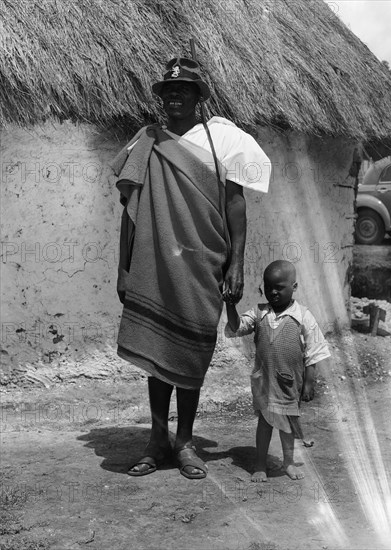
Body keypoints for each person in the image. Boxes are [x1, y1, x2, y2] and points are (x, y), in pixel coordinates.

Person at [110, 57, 271, 479]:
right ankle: (156, 440)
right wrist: (124, 269)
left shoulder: (225, 139)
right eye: (167, 91)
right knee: (157, 353)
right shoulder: (145, 141)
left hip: (203, 264)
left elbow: (236, 205)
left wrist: (237, 263)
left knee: (193, 353)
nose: (174, 96)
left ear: (200, 97)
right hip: (155, 261)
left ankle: (184, 442)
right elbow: (130, 211)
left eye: (183, 90)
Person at [226, 260, 331, 482]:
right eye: (268, 286)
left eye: (279, 287)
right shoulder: (259, 313)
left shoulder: (303, 316)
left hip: (290, 383)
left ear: (294, 287)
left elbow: (315, 351)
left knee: (288, 425)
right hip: (264, 382)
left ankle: (289, 462)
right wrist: (230, 306)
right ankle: (261, 464)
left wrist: (309, 383)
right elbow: (237, 328)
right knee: (264, 423)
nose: (273, 292)